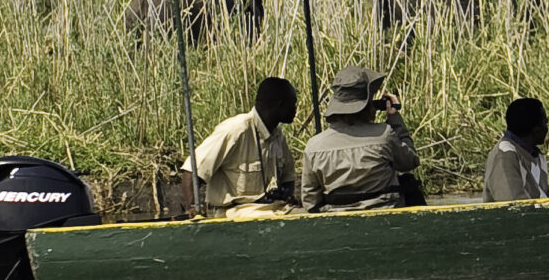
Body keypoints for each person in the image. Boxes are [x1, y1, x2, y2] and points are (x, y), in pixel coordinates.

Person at [301, 65, 423, 211]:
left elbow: (310, 201)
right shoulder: (384, 135)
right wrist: (394, 118)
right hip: (388, 221)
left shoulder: (314, 146)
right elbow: (410, 161)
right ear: (367, 104)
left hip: (337, 225)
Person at [180, 76, 299, 214]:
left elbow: (288, 177)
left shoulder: (277, 136)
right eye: (293, 103)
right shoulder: (236, 130)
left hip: (271, 207)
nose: (295, 109)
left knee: (306, 215)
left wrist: (287, 195)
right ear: (280, 104)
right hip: (234, 211)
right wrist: (194, 207)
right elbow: (191, 170)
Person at [484, 97, 549, 202]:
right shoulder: (505, 155)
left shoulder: (537, 157)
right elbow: (512, 206)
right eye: (545, 122)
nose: (547, 128)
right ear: (536, 130)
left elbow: (544, 197)